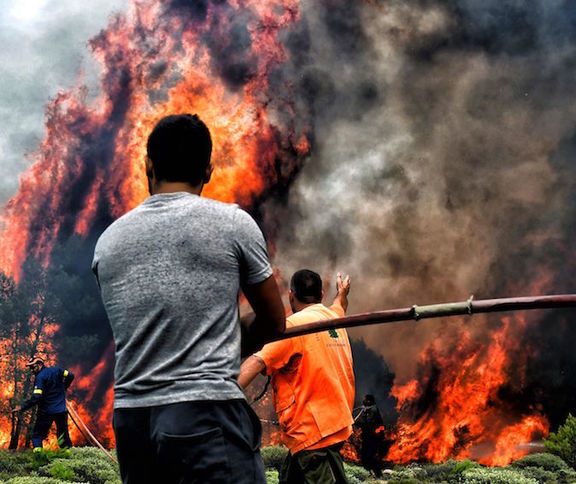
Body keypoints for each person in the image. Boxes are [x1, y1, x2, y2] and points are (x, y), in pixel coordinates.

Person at [92, 113, 286, 484]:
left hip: (132, 422)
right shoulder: (233, 224)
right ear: (209, 169)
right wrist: (230, 335)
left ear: (148, 165)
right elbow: (275, 323)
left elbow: (147, 325)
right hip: (205, 413)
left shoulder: (108, 242)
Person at [239, 270, 354, 484]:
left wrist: (223, 396)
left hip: (313, 436)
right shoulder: (333, 318)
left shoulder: (291, 327)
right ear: (321, 294)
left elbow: (256, 362)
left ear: (291, 295)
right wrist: (342, 291)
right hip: (325, 429)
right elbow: (340, 304)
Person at [14, 356, 74, 451]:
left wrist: (22, 407)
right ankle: (69, 456)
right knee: (63, 436)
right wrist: (64, 387)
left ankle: (39, 457)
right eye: (30, 368)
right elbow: (70, 375)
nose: (32, 370)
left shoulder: (40, 377)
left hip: (46, 412)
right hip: (61, 411)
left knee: (37, 435)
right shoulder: (57, 370)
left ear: (40, 365)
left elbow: (36, 397)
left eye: (33, 367)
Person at [354, 394, 384, 477]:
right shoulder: (369, 409)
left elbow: (368, 424)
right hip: (368, 437)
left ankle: (379, 475)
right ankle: (368, 473)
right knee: (365, 455)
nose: (363, 401)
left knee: (370, 456)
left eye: (365, 400)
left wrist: (356, 422)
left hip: (373, 437)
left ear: (369, 401)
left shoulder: (373, 410)